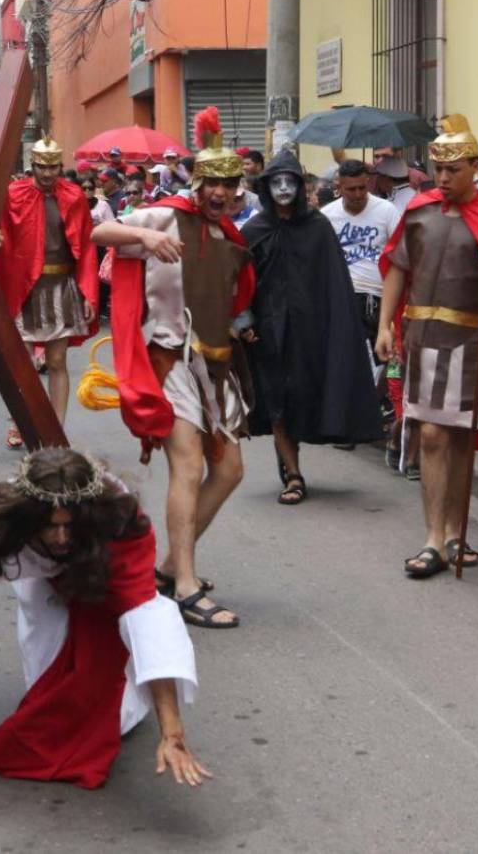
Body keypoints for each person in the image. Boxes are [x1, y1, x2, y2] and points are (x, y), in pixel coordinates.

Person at [0, 448, 209, 789]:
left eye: (68, 527)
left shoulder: (117, 521)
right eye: (50, 527)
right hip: (41, 585)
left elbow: (148, 622)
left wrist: (173, 732)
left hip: (96, 570)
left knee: (115, 714)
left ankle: (130, 701)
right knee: (50, 698)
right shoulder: (4, 524)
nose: (60, 538)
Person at [92, 105, 254, 627]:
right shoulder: (162, 213)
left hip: (215, 365)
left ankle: (166, 567)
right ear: (198, 180)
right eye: (214, 183)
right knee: (186, 465)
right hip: (171, 360)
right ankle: (185, 584)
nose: (222, 194)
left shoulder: (232, 234)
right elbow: (100, 235)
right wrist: (143, 238)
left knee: (228, 470)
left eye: (231, 185)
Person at [375, 115, 478, 578]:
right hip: (422, 338)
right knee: (431, 435)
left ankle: (454, 531)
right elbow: (396, 268)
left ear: (475, 168)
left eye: (453, 170)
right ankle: (433, 539)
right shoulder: (418, 211)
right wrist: (385, 327)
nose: (444, 178)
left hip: (474, 341)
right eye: (439, 170)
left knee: (461, 441)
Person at [241, 151, 383, 503]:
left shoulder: (318, 227)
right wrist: (243, 320)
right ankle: (294, 475)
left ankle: (289, 460)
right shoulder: (254, 230)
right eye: (277, 182)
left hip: (311, 333)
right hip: (268, 335)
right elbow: (238, 283)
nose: (284, 188)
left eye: (291, 181)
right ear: (266, 187)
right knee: (276, 401)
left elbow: (333, 283)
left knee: (303, 398)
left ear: (301, 187)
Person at [0, 136, 99, 448]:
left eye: (53, 166)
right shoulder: (14, 194)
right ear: (33, 165)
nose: (48, 172)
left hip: (61, 285)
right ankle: (20, 422)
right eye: (42, 166)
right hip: (23, 286)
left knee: (56, 361)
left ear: (60, 166)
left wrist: (88, 292)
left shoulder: (75, 195)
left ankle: (57, 428)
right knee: (21, 363)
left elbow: (87, 245)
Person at [320, 160, 401, 353]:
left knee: (381, 360)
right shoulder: (327, 215)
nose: (357, 194)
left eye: (362, 188)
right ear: (339, 187)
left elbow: (400, 255)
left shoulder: (386, 210)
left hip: (380, 298)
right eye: (351, 189)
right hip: (344, 297)